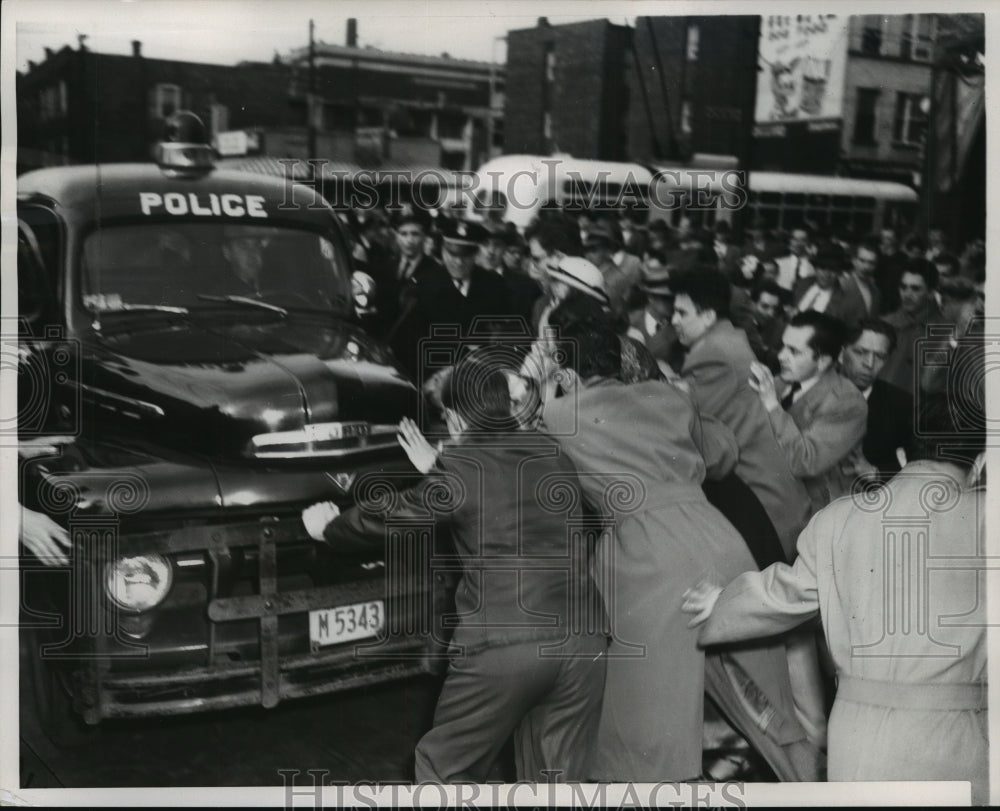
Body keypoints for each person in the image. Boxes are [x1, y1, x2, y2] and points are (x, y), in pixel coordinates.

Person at [540, 321, 823, 783]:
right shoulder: (670, 397)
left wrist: (549, 391)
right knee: (764, 699)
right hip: (718, 541)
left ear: (565, 367)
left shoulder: (557, 416)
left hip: (647, 560)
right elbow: (722, 456)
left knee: (646, 726)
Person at [301, 356, 606, 783]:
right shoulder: (553, 452)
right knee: (558, 781)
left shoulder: (462, 465)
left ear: (456, 416)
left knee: (443, 771)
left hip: (504, 645)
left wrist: (330, 528)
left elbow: (394, 513)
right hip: (584, 643)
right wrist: (439, 469)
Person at [683, 395, 988, 803]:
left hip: (857, 742)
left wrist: (719, 602)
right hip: (956, 741)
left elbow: (781, 596)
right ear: (983, 462)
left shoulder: (837, 519)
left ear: (901, 453)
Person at [669, 270, 812, 560]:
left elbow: (681, 428)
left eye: (681, 313)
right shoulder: (728, 341)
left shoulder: (713, 354)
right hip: (772, 500)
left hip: (762, 508)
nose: (674, 320)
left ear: (708, 316)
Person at [749, 310, 868, 515]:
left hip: (813, 511)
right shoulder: (782, 382)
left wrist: (771, 405)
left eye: (794, 352)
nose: (781, 356)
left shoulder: (848, 402)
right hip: (771, 490)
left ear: (823, 361)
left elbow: (804, 462)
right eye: (783, 346)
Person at [838, 319, 914, 481]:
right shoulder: (812, 388)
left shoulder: (901, 404)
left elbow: (914, 465)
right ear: (841, 352)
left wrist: (876, 474)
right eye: (860, 352)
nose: (869, 364)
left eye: (880, 356)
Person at [878, 258, 943, 398]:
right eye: (903, 287)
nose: (907, 294)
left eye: (915, 288)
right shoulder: (883, 324)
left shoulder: (945, 333)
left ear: (931, 292)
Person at [582, 220, 642, 319]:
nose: (588, 254)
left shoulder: (619, 277)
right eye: (587, 249)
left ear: (608, 250)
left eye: (594, 249)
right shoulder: (587, 271)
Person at [791, 243, 858, 326]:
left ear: (839, 272)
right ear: (815, 268)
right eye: (822, 268)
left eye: (832, 269)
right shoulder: (801, 284)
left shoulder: (844, 301)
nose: (826, 274)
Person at [840, 239, 881, 319]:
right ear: (854, 260)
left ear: (875, 266)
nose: (866, 267)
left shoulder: (876, 292)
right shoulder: (841, 286)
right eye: (862, 261)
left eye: (871, 263)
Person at [774, 227, 815, 291]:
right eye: (795, 239)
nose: (798, 243)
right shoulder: (778, 263)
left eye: (802, 240)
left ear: (808, 242)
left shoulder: (812, 267)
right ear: (790, 241)